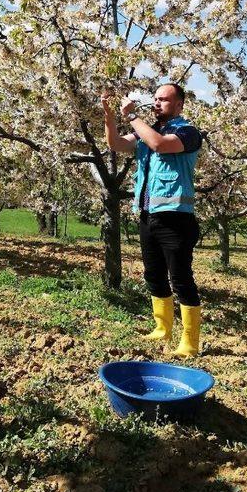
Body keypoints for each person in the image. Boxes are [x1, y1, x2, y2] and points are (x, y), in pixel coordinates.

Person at [102, 84, 203, 356]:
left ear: (180, 105)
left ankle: (190, 340)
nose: (157, 103)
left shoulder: (187, 132)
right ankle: (162, 327)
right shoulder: (146, 132)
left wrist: (132, 116)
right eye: (155, 99)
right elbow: (116, 144)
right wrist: (110, 116)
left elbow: (160, 145)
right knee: (153, 274)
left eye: (164, 100)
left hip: (176, 217)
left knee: (180, 278)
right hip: (148, 214)